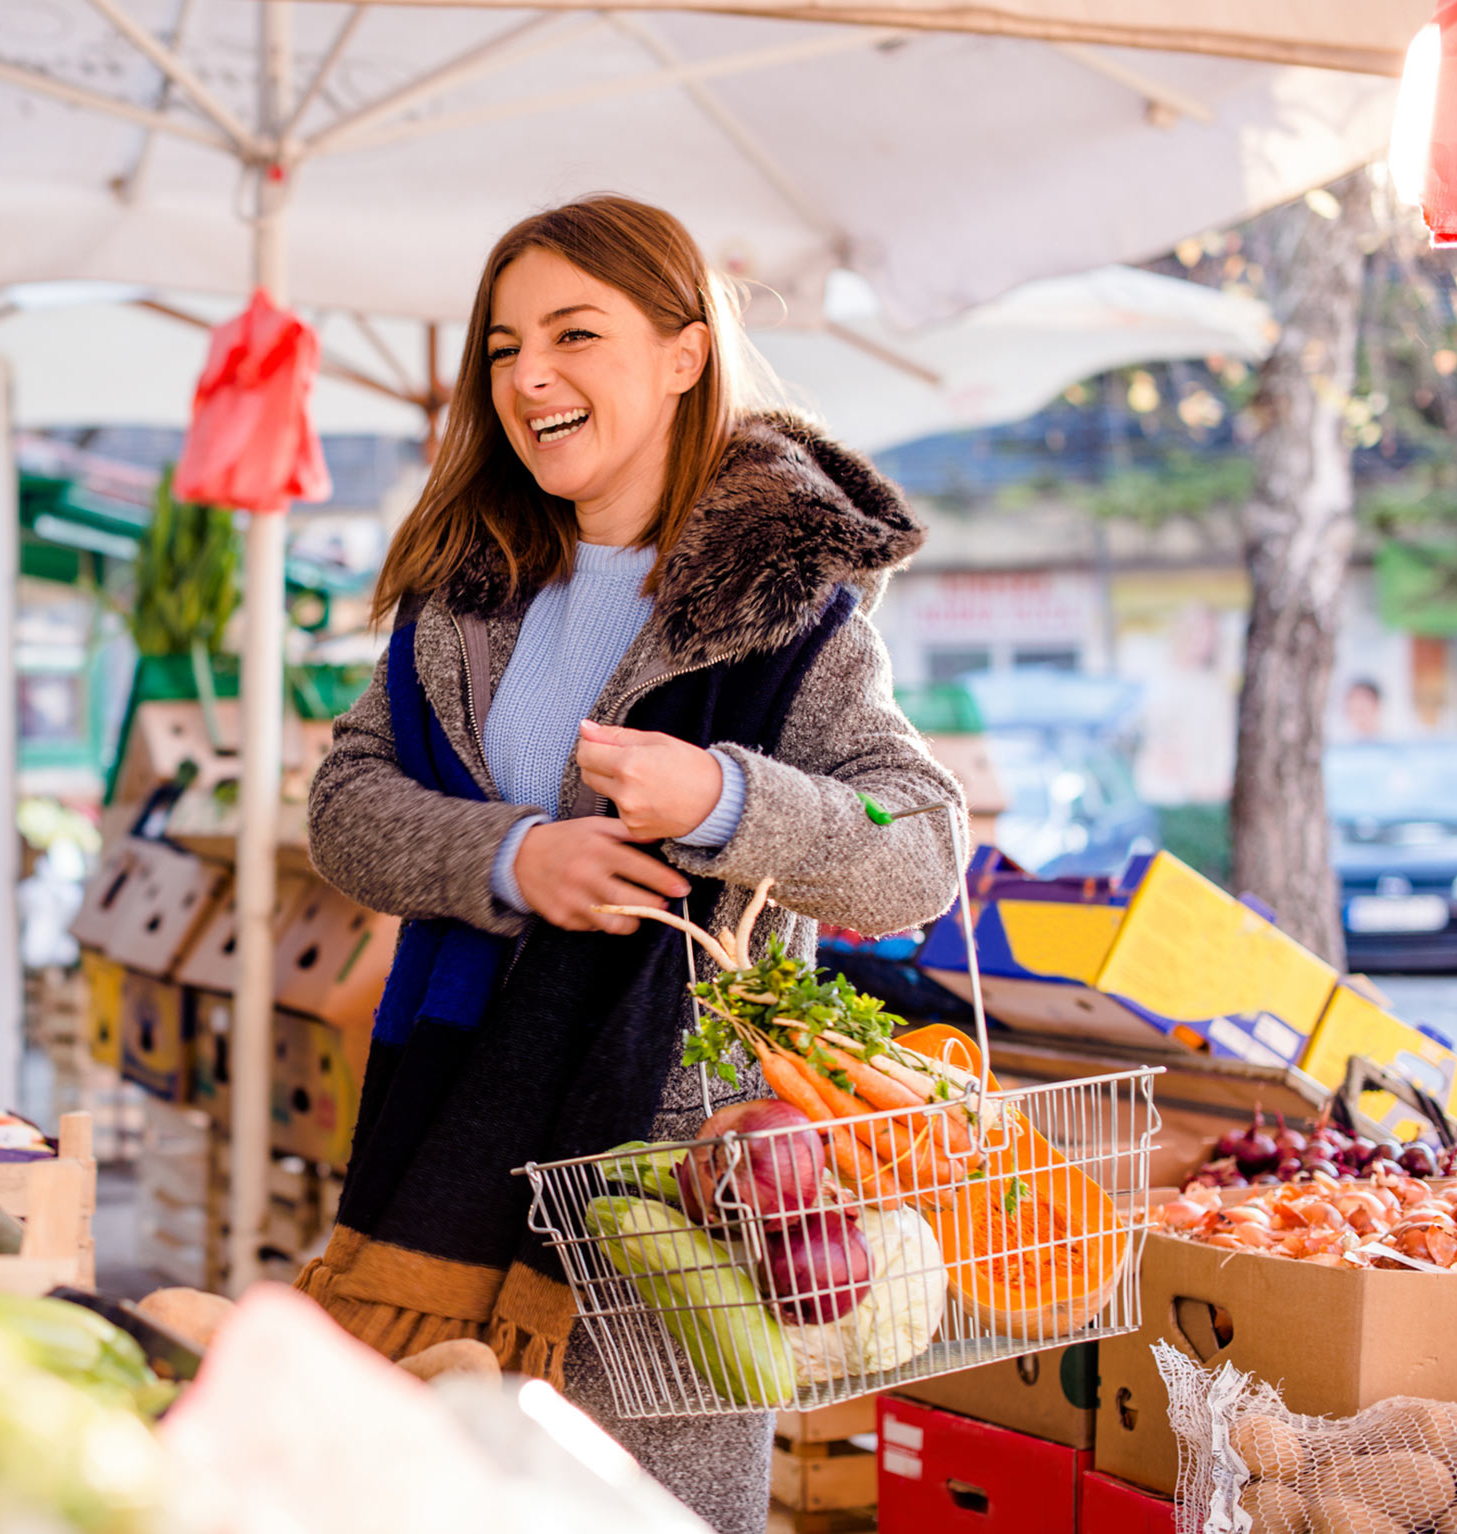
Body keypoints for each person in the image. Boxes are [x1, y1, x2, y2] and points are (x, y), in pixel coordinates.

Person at [296, 196, 965, 1531]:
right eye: (501, 346)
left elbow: (921, 847)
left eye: (571, 334)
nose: (526, 376)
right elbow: (344, 806)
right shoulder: (465, 590)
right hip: (447, 1130)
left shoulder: (789, 618)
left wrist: (724, 794)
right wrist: (512, 854)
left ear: (684, 353)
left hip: (678, 1177)